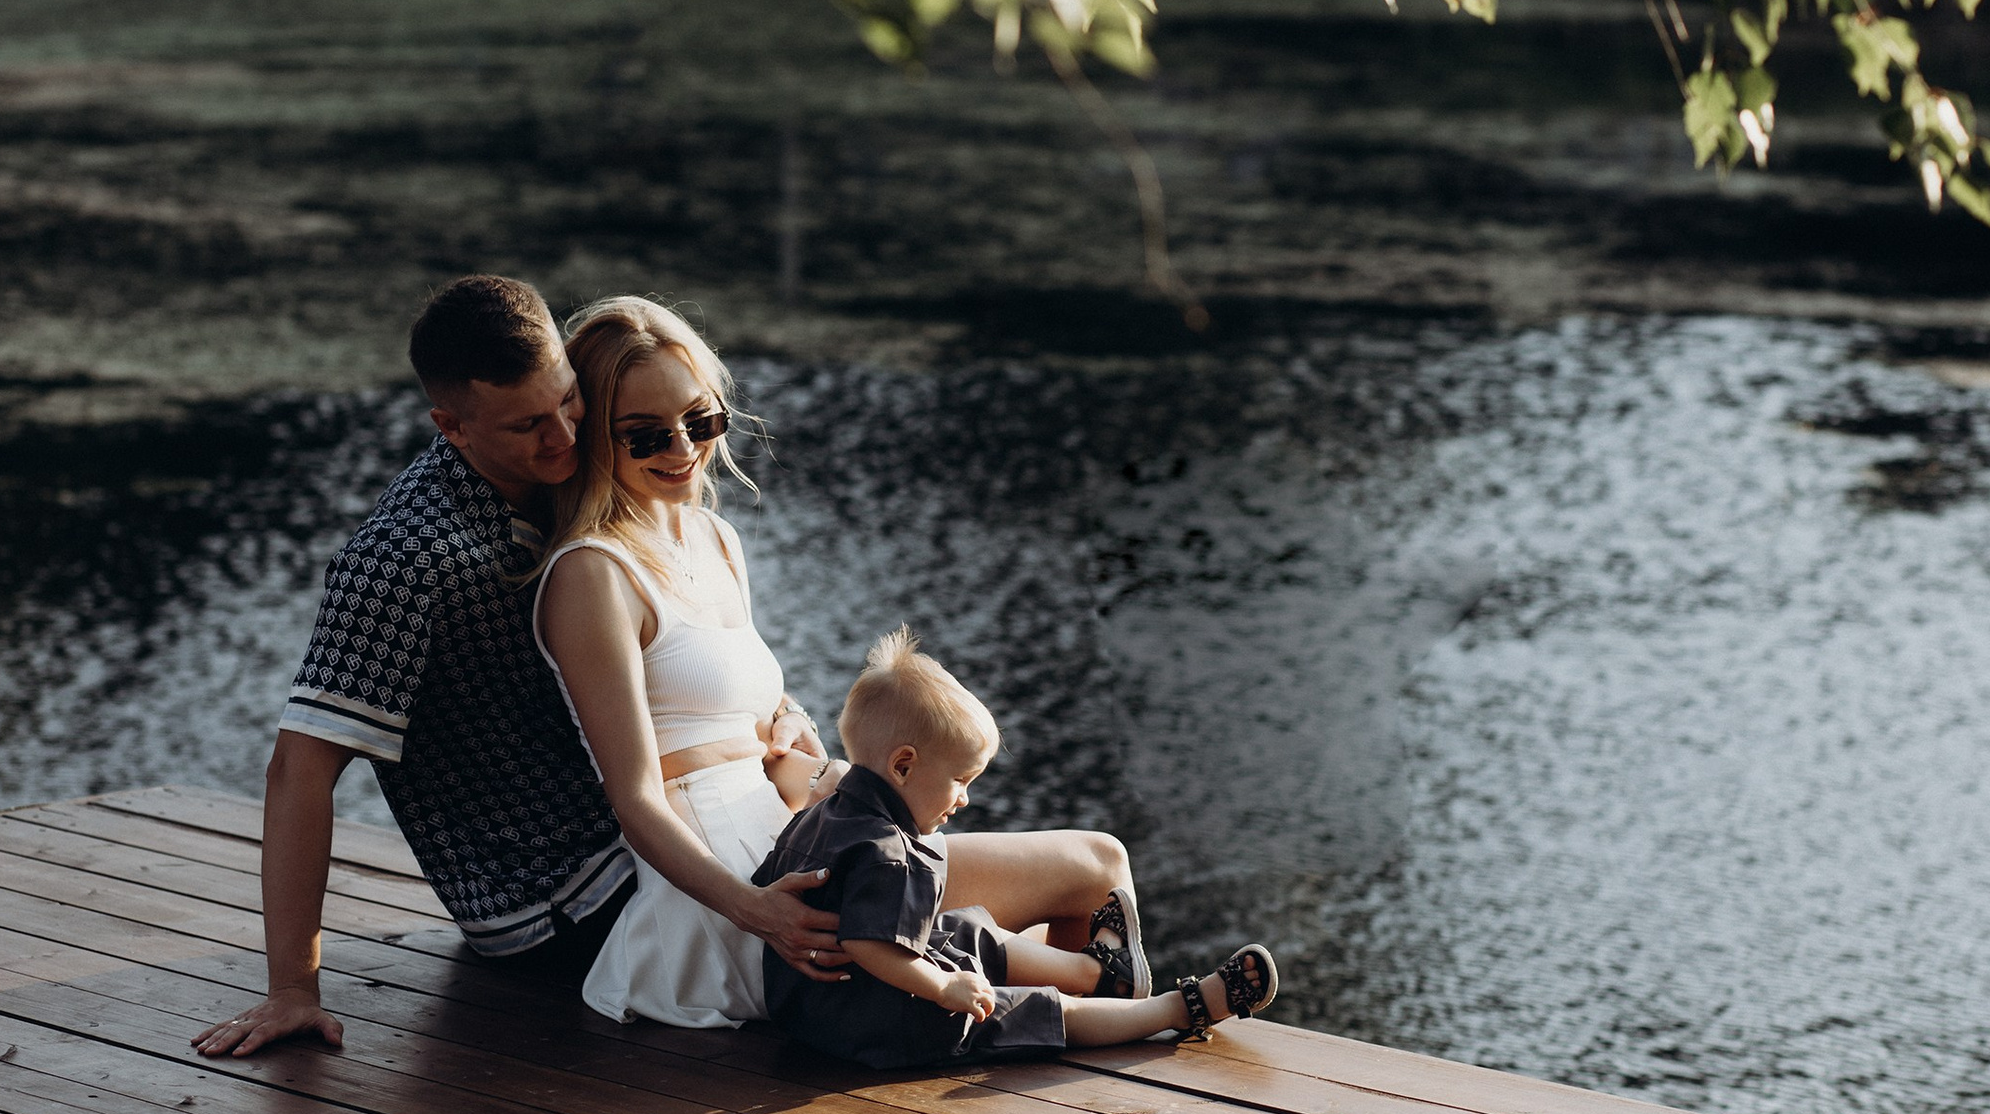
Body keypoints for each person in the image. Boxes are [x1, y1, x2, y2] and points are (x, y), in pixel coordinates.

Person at [192, 277, 835, 1058]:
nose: (566, 435)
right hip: (558, 898)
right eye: (529, 424)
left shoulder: (580, 486)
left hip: (667, 843)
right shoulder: (407, 560)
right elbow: (299, 770)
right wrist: (294, 986)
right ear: (452, 427)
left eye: (569, 402)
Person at [529, 295, 1153, 1027]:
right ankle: (1105, 1022)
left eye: (700, 421)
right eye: (646, 436)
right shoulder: (591, 574)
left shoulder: (714, 540)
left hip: (804, 823)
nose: (682, 449)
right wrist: (759, 912)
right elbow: (634, 797)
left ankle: (1076, 1025)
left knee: (1063, 904)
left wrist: (792, 726)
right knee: (1096, 869)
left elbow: (750, 705)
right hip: (740, 883)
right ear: (597, 438)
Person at [755, 627, 1277, 1069]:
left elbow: (774, 883)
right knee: (1040, 1010)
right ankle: (1177, 1009)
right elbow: (872, 947)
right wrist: (942, 989)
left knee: (966, 927)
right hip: (874, 1022)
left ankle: (1098, 973)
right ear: (904, 765)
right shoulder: (889, 852)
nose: (964, 798)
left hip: (814, 1004)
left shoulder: (825, 810)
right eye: (960, 779)